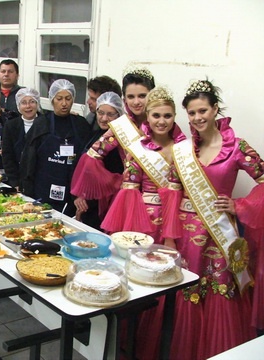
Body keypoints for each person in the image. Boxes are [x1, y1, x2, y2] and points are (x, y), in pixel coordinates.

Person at [160, 80, 263, 359]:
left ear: (215, 109)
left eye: (202, 111)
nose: (197, 118)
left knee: (218, 289)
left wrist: (239, 204)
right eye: (191, 113)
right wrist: (169, 236)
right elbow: (172, 191)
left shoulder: (237, 147)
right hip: (186, 233)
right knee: (186, 289)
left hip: (219, 234)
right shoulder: (184, 150)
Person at [100, 87, 186, 360]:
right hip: (144, 222)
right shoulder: (138, 149)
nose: (162, 121)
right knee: (142, 275)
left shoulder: (186, 149)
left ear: (174, 117)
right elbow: (129, 190)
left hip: (177, 222)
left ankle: (160, 342)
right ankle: (131, 337)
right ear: (147, 117)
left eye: (167, 115)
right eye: (156, 115)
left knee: (167, 279)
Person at [70, 67, 155, 227]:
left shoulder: (161, 123)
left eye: (142, 96)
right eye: (131, 96)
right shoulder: (120, 126)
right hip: (124, 201)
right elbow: (89, 161)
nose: (136, 102)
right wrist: (114, 183)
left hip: (154, 204)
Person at [20, 79, 91, 215]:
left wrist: (80, 192)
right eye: (59, 99)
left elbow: (87, 163)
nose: (64, 103)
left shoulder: (81, 125)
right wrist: (26, 189)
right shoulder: (41, 123)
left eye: (68, 99)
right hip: (42, 188)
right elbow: (28, 159)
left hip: (70, 191)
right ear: (52, 100)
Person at [71, 92, 125, 229]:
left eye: (110, 114)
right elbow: (82, 169)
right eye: (101, 112)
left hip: (107, 206)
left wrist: (87, 196)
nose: (104, 118)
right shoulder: (95, 134)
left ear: (119, 115)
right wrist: (79, 196)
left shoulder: (120, 143)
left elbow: (115, 179)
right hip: (87, 204)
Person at [2, 88, 41, 188]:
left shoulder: (45, 123)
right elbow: (7, 156)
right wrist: (14, 181)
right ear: (18, 106)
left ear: (37, 103)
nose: (28, 106)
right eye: (23, 102)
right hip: (19, 179)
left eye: (32, 102)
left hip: (40, 179)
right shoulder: (11, 125)